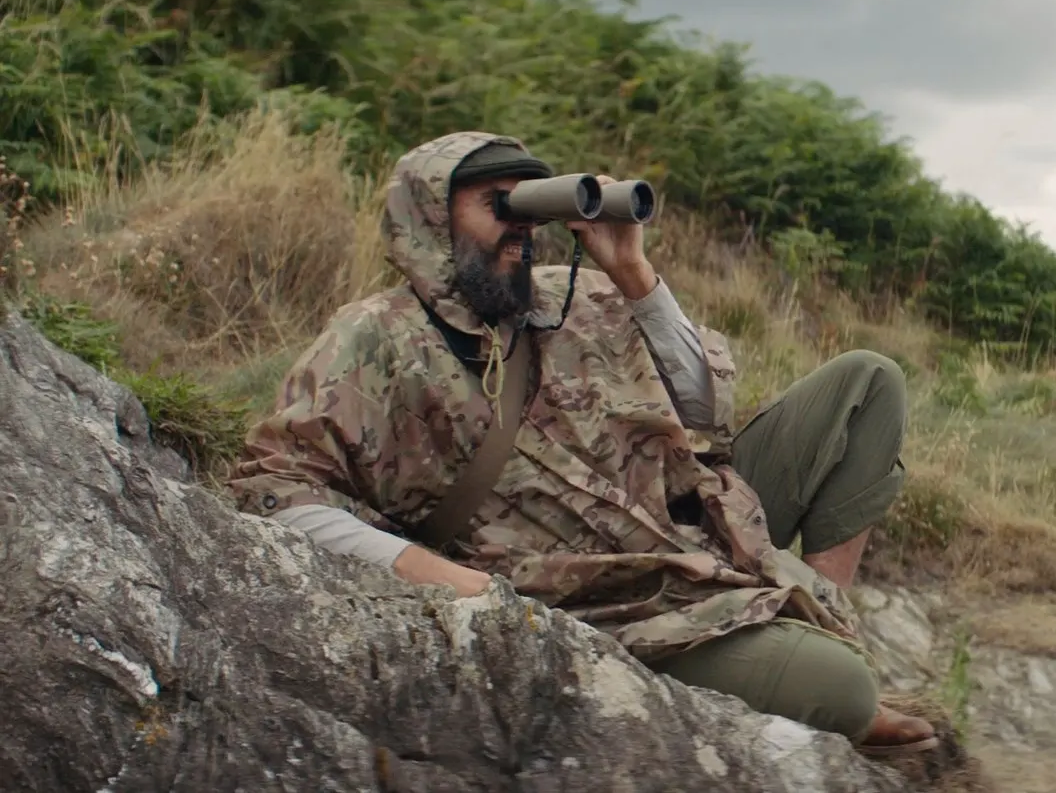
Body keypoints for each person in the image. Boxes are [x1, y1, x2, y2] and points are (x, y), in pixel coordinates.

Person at [225, 131, 936, 755]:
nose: (520, 228)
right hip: (604, 594)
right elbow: (273, 489)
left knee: (868, 382)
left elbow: (706, 410)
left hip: (696, 523)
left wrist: (632, 273)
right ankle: (827, 664)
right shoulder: (375, 337)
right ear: (430, 218)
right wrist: (436, 573)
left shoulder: (576, 297)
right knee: (843, 692)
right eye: (497, 205)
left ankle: (823, 617)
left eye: (527, 205)